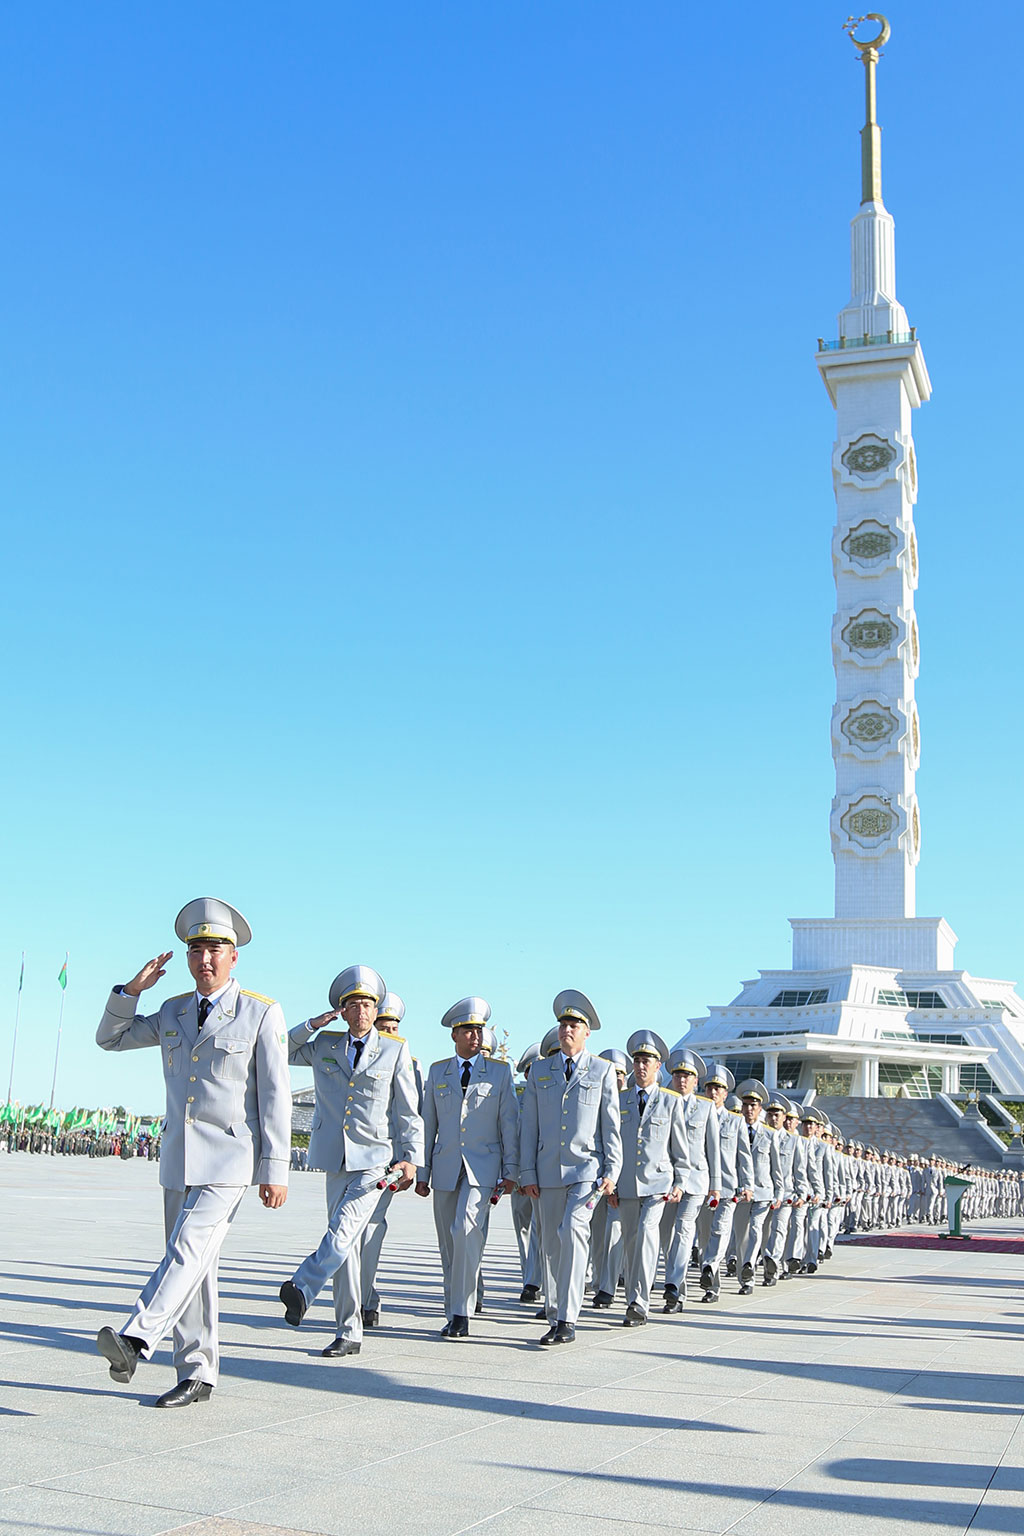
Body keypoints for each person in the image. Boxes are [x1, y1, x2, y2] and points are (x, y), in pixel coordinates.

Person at [95, 897, 291, 1408]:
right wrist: (131, 992)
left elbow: (276, 1095)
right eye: (197, 950)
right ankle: (197, 1373)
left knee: (184, 1251)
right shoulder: (172, 1011)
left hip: (230, 1158)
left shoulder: (260, 1012)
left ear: (233, 957)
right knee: (195, 1267)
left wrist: (276, 1168)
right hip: (179, 1158)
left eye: (215, 950)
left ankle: (136, 1340)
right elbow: (110, 1040)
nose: (205, 959)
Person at [280, 965, 423, 1357]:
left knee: (342, 1232)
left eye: (367, 1004)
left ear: (376, 1010)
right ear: (342, 1011)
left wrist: (412, 1158)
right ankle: (348, 1331)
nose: (361, 1011)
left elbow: (409, 1110)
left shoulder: (394, 1049)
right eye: (353, 1005)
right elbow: (280, 1049)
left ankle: (303, 1286)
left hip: (375, 1159)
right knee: (344, 1244)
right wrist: (312, 1025)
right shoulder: (324, 1045)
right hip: (334, 1157)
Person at [518, 989, 622, 1345]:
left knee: (573, 1231)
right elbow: (529, 1125)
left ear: (586, 1032)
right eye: (563, 1024)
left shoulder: (602, 1070)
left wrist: (612, 1170)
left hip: (586, 1171)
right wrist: (526, 1172)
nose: (567, 1030)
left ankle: (567, 1318)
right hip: (547, 1170)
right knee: (550, 1245)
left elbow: (610, 1125)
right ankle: (554, 1311)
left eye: (574, 1025)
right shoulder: (540, 1071)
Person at [416, 997, 519, 1338]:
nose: (475, 1036)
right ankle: (454, 1308)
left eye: (479, 1030)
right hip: (446, 1166)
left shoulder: (499, 1072)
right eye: (468, 1031)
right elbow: (428, 1124)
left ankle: (462, 1312)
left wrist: (511, 1170)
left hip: (483, 1167)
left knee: (465, 1230)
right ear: (454, 1035)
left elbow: (509, 1123)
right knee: (448, 1243)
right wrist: (422, 1173)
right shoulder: (438, 1071)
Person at [610, 1031, 689, 1325]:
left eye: (647, 1061)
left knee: (646, 1234)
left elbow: (680, 1147)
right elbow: (611, 1143)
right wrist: (611, 1182)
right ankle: (633, 1297)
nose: (641, 1066)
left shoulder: (671, 1102)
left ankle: (639, 1302)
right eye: (637, 1061)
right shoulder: (619, 1100)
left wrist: (680, 1181)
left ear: (658, 1066)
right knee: (631, 1242)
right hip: (627, 1184)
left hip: (658, 1183)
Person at [358, 990, 422, 1329]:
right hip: (358, 1155)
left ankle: (364, 1299)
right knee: (357, 1231)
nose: (390, 1033)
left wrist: (414, 1160)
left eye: (394, 1028)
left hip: (391, 1162)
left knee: (371, 1228)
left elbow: (416, 1115)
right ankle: (365, 1297)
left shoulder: (410, 1064)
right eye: (384, 1027)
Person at [659, 1046, 719, 1311]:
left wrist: (716, 1185)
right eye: (677, 1075)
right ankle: (674, 1283)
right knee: (665, 1236)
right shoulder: (662, 1102)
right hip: (665, 1180)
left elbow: (713, 1149)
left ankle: (674, 1289)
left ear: (696, 1081)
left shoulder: (705, 1108)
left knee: (684, 1231)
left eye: (687, 1076)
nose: (681, 1080)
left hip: (695, 1181)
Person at [731, 1080, 783, 1295]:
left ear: (760, 1109)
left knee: (755, 1229)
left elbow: (776, 1167)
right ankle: (744, 1277)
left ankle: (749, 1267)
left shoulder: (769, 1134)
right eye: (745, 1105)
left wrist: (779, 1192)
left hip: (763, 1191)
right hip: (740, 1192)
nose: (749, 1109)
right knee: (740, 1235)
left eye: (753, 1105)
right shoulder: (733, 1130)